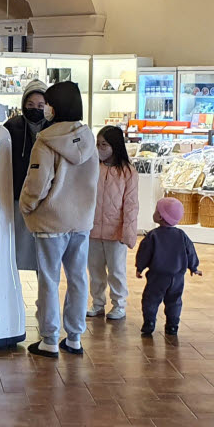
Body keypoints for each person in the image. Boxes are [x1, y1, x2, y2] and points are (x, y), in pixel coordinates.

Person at [19, 81, 98, 358]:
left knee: (49, 280)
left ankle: (49, 339)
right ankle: (74, 337)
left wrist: (26, 206)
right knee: (78, 278)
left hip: (51, 221)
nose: (45, 108)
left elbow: (37, 184)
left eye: (48, 103)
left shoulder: (46, 141)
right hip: (82, 222)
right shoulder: (88, 138)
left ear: (56, 106)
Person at [88, 125, 139, 321]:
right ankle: (97, 303)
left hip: (115, 231)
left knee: (116, 270)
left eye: (104, 145)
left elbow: (131, 204)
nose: (100, 148)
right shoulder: (92, 168)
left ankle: (119, 305)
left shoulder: (128, 172)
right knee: (95, 270)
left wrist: (128, 232)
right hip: (92, 229)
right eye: (98, 144)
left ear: (115, 146)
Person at [135, 197, 202, 337]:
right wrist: (194, 267)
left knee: (151, 299)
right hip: (177, 277)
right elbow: (191, 251)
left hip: (157, 277)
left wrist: (140, 267)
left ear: (160, 216)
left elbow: (144, 252)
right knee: (175, 301)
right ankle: (172, 326)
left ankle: (149, 322)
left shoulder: (153, 236)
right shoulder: (181, 235)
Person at [5, 80, 49, 272]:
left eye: (40, 106)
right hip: (18, 196)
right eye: (30, 105)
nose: (35, 109)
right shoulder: (12, 127)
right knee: (16, 249)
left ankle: (45, 299)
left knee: (45, 254)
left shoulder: (54, 129)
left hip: (47, 199)